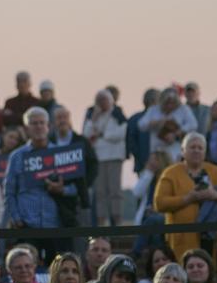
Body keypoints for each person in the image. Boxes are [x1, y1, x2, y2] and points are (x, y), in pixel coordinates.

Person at [5, 107, 73, 262]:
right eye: (34, 123)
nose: (38, 127)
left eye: (42, 123)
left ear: (48, 126)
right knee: (25, 272)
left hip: (55, 223)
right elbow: (9, 191)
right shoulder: (16, 156)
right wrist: (15, 217)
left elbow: (76, 189)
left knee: (56, 273)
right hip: (27, 225)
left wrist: (62, 190)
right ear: (26, 128)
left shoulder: (61, 154)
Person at [154, 133, 217, 261]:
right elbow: (159, 203)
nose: (196, 150)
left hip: (213, 239)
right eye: (192, 147)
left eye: (200, 148)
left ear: (205, 152)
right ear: (183, 151)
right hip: (182, 239)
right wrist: (188, 199)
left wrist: (215, 195)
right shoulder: (171, 173)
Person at [82, 89, 127, 227]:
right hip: (98, 158)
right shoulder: (92, 114)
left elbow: (121, 133)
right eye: (99, 100)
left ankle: (117, 220)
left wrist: (102, 134)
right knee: (100, 192)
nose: (102, 103)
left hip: (114, 156)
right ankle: (101, 221)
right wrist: (94, 119)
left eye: (104, 100)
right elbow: (86, 134)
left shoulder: (117, 113)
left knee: (114, 191)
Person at [50, 106, 97, 230]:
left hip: (78, 196)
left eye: (64, 117)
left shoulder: (81, 141)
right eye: (59, 118)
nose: (62, 121)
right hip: (55, 197)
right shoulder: (48, 142)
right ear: (53, 122)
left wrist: (85, 185)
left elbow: (93, 165)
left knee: (81, 233)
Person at [140, 87, 198, 157]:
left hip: (176, 151)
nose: (169, 105)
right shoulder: (154, 110)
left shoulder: (183, 109)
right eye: (167, 103)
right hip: (157, 149)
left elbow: (193, 124)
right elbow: (141, 125)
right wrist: (156, 123)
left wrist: (176, 133)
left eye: (172, 103)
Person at [127, 88, 159, 173]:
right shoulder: (161, 119)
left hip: (142, 164)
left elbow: (131, 144)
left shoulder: (133, 119)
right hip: (156, 164)